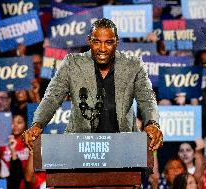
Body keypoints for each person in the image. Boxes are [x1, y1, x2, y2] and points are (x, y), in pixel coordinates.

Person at [22, 18, 163, 152]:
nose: (102, 48)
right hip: (81, 147)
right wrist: (38, 123)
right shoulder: (72, 63)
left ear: (117, 42)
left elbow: (147, 99)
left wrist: (152, 123)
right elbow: (52, 97)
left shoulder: (133, 65)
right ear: (89, 41)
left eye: (108, 42)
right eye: (97, 42)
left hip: (123, 147)